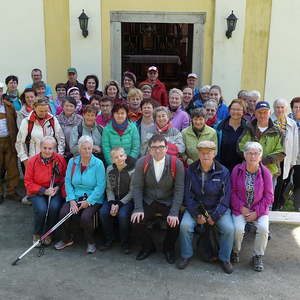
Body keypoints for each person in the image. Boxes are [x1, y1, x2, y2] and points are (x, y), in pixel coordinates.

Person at [177, 141, 234, 274]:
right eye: (202, 153)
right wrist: (196, 214)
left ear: (214, 154)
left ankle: (225, 259)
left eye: (208, 153)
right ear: (198, 154)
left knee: (229, 229)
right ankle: (186, 255)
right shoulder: (191, 169)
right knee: (185, 226)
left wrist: (214, 216)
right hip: (197, 209)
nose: (205, 156)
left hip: (217, 209)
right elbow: (188, 196)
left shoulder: (223, 171)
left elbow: (225, 198)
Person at [131, 134, 184, 263]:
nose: (158, 150)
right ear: (149, 149)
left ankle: (168, 248)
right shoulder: (142, 162)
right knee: (136, 220)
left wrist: (174, 212)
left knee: (175, 222)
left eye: (161, 147)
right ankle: (148, 247)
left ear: (166, 148)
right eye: (154, 147)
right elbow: (137, 187)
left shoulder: (176, 163)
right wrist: (138, 208)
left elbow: (179, 189)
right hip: (149, 200)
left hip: (167, 201)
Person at [54, 136, 106, 254]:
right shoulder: (72, 162)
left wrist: (88, 201)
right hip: (75, 195)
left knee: (85, 217)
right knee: (63, 212)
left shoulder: (98, 164)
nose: (87, 151)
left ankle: (90, 242)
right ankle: (66, 239)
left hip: (93, 197)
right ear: (79, 149)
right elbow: (67, 182)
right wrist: (71, 200)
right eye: (84, 148)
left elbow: (100, 187)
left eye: (89, 148)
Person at [231, 142, 273, 271]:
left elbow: (269, 197)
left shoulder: (265, 172)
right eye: (249, 153)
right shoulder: (237, 170)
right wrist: (241, 208)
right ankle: (235, 251)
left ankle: (257, 256)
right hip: (241, 209)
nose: (252, 156)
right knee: (238, 229)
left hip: (259, 210)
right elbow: (231, 192)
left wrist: (256, 213)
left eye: (256, 154)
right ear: (244, 155)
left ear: (260, 156)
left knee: (263, 228)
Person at [24, 136, 67, 245]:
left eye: (50, 148)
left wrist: (57, 187)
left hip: (54, 189)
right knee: (42, 209)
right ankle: (37, 233)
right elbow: (28, 182)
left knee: (54, 207)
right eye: (45, 148)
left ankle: (48, 233)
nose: (47, 151)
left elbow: (65, 177)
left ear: (54, 149)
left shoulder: (60, 159)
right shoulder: (32, 161)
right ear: (40, 147)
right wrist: (43, 191)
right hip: (37, 191)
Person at [238, 101, 285, 188]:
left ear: (270, 113)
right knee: (249, 197)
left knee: (267, 199)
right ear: (255, 113)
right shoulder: (249, 128)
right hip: (249, 170)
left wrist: (262, 162)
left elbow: (280, 152)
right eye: (259, 112)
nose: (262, 115)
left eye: (265, 112)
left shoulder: (278, 131)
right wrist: (252, 160)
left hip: (270, 171)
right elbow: (240, 147)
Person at [99, 147, 135, 254]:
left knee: (123, 215)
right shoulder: (109, 169)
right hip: (112, 199)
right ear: (112, 159)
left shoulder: (132, 170)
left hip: (127, 200)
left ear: (125, 156)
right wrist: (112, 202)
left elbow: (132, 192)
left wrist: (119, 204)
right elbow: (109, 188)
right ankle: (109, 239)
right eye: (116, 157)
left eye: (121, 156)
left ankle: (125, 242)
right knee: (103, 212)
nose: (119, 159)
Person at [16, 98, 65, 169]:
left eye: (46, 111)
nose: (44, 113)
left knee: (51, 179)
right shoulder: (26, 121)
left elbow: (61, 139)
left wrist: (59, 156)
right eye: (41, 111)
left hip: (52, 158)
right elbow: (19, 142)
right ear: (34, 108)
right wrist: (25, 160)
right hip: (34, 158)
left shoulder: (53, 119)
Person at [271, 99, 298, 210]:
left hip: (285, 159)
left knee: (281, 184)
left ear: (286, 109)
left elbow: (295, 143)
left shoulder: (292, 123)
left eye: (282, 107)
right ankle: (267, 207)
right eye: (278, 107)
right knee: (270, 183)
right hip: (272, 159)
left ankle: (276, 207)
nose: (280, 110)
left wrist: (293, 161)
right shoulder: (269, 121)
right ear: (274, 108)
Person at [0, 82, 19, 203]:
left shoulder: (9, 106)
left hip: (9, 141)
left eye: (0, 90)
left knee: (12, 169)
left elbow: (15, 124)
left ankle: (11, 191)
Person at [215, 99, 247, 172]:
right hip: (222, 167)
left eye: (238, 110)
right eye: (233, 109)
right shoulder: (219, 126)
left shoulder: (247, 128)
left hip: (242, 168)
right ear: (229, 110)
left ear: (243, 112)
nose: (235, 112)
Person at [289, 97, 300, 211]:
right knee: (284, 182)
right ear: (292, 108)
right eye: (295, 107)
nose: (297, 109)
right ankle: (279, 204)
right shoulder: (287, 121)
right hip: (287, 158)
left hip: (299, 159)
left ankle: (297, 207)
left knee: (298, 183)